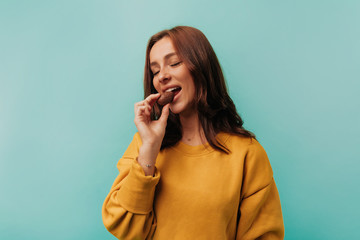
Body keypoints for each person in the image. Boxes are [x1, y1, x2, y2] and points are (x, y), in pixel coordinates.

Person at [102, 26, 284, 240]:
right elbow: (122, 224)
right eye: (155, 71)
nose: (162, 76)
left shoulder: (247, 153)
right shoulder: (144, 145)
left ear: (201, 66)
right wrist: (149, 150)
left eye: (174, 63)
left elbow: (264, 235)